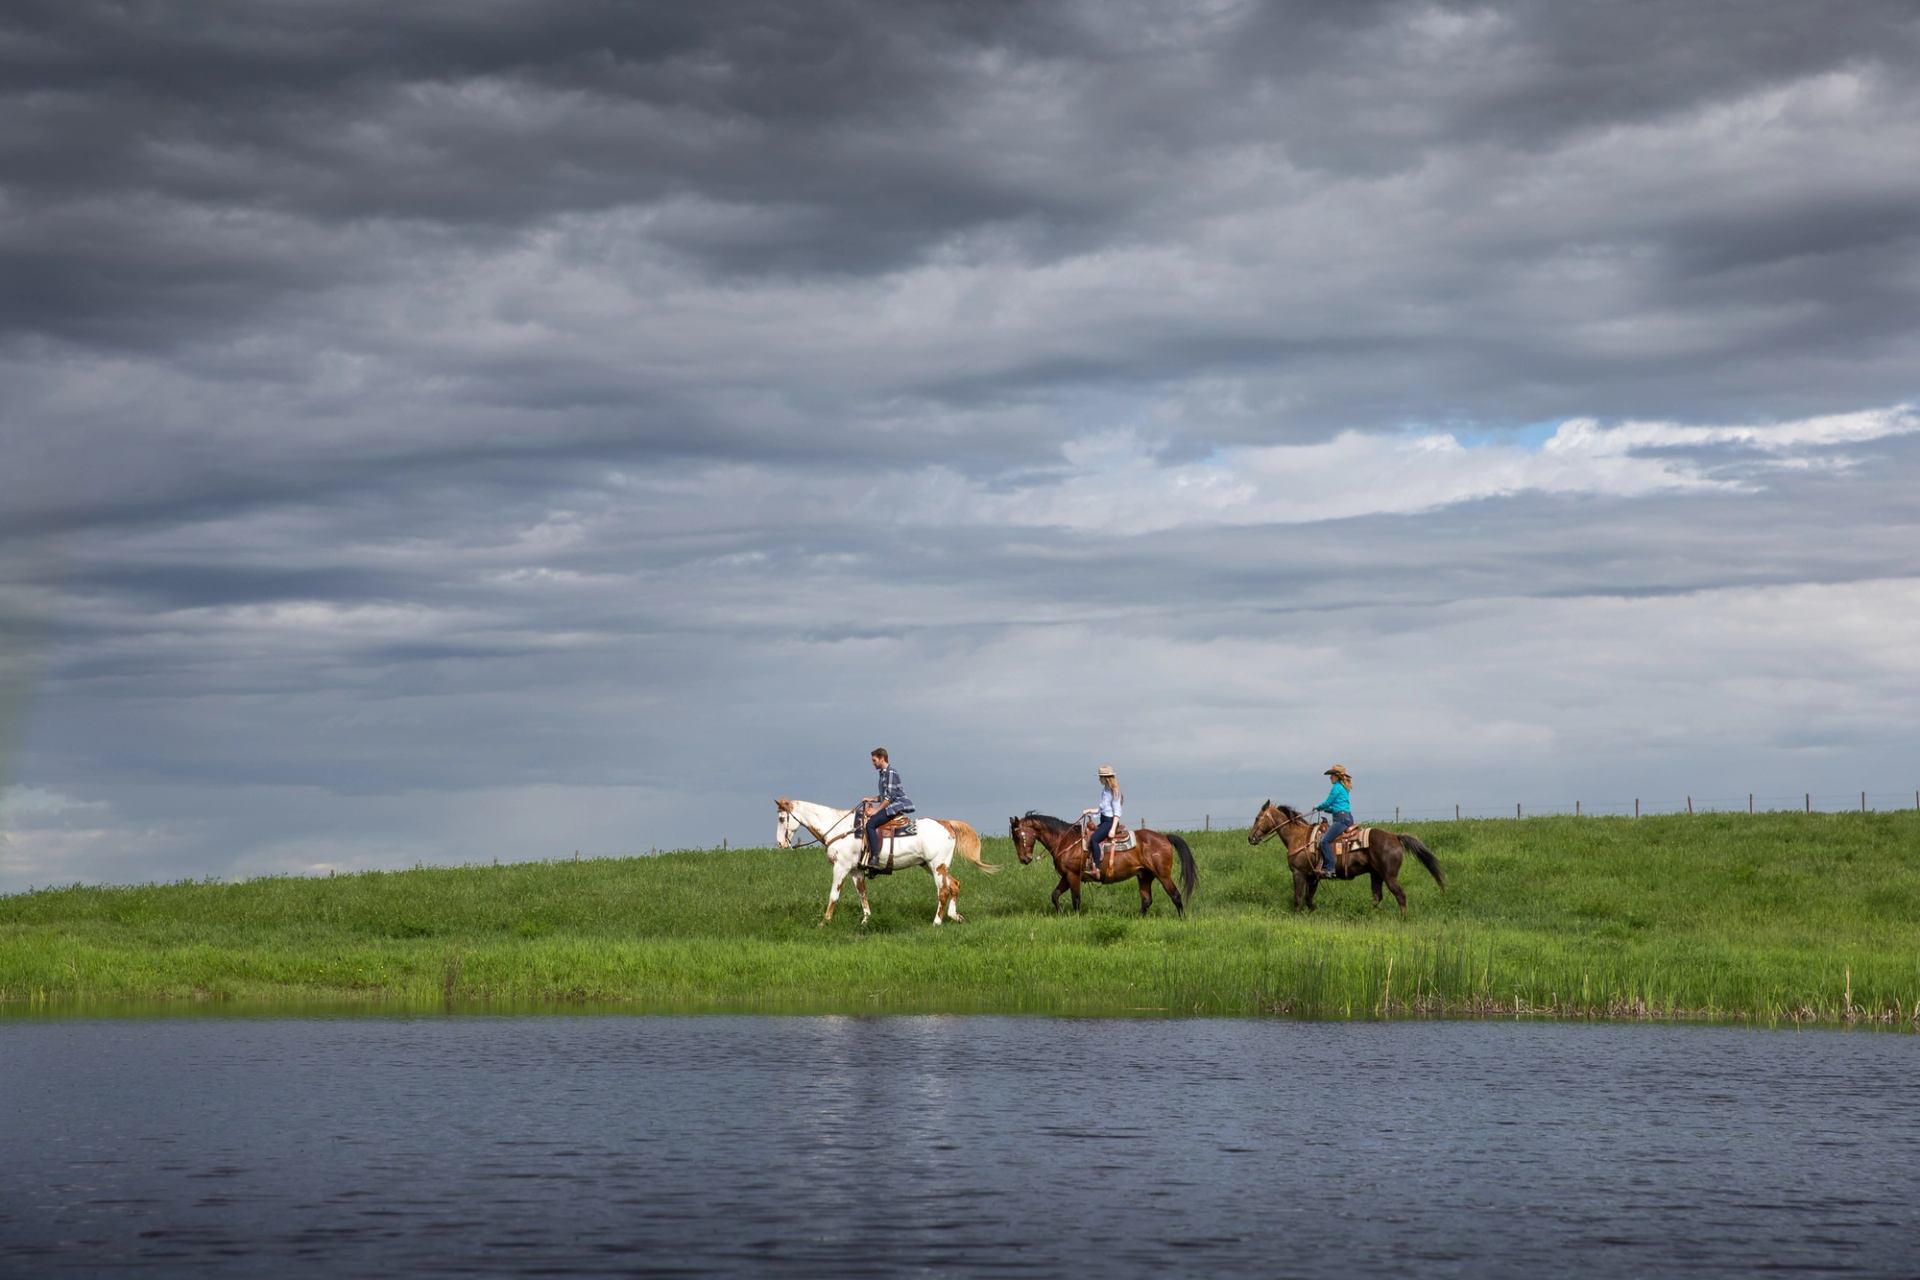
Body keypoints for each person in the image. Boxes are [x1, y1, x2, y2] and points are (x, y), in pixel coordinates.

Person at [861, 747, 914, 874]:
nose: (873, 763)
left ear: (882, 758)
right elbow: (884, 795)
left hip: (896, 805)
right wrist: (871, 799)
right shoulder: (883, 774)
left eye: (874, 760)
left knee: (871, 824)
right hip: (890, 804)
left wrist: (876, 810)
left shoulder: (890, 773)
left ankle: (875, 858)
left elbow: (889, 797)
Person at [1080, 765, 1123, 876]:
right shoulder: (1105, 790)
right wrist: (1089, 810)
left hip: (1110, 822)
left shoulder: (1114, 791)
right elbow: (1102, 809)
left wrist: (1113, 829)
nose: (1099, 779)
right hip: (1104, 820)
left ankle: (1097, 868)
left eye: (1100, 777)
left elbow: (1117, 812)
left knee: (1094, 839)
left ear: (1106, 778)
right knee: (1088, 835)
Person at [1312, 763, 1353, 878]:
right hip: (1347, 817)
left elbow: (1328, 802)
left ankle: (1330, 868)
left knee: (1324, 841)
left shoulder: (1336, 787)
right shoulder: (1343, 788)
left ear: (1336, 776)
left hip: (1341, 819)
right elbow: (1336, 807)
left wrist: (1318, 807)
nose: (1330, 778)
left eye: (1331, 775)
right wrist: (1327, 810)